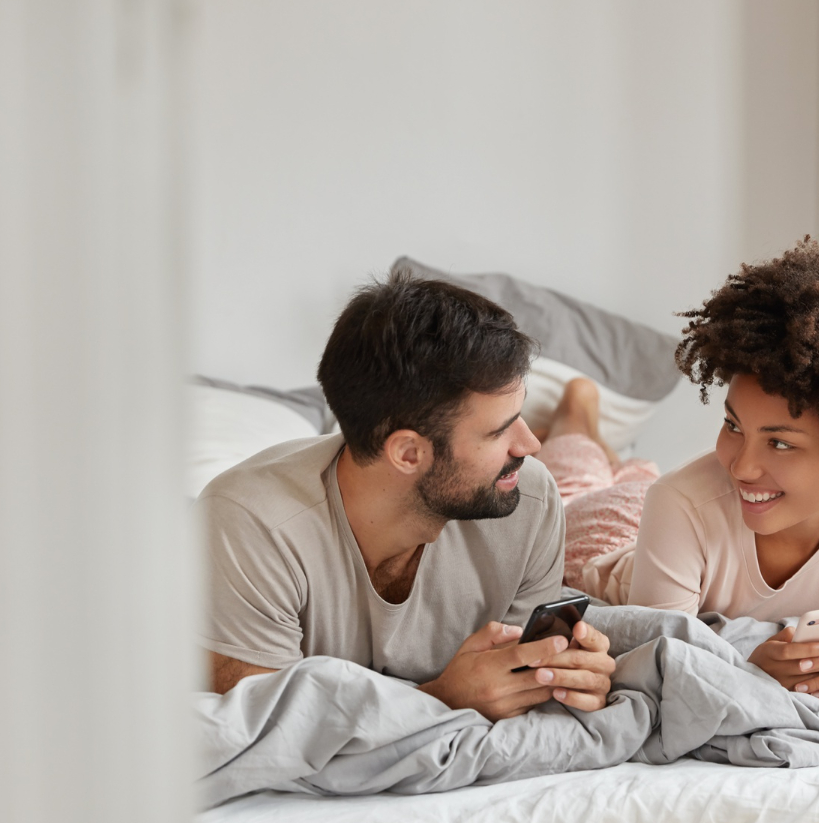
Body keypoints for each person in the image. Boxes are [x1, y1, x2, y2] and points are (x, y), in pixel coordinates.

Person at [542, 238, 819, 709]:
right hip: (609, 534)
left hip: (674, 509)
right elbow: (654, 684)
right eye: (732, 425)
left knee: (632, 472)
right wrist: (748, 675)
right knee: (573, 477)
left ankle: (608, 446)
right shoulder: (679, 502)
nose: (740, 465)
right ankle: (576, 409)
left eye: (780, 442)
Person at [200, 270, 616, 720]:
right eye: (499, 431)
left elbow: (519, 683)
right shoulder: (249, 526)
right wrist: (440, 700)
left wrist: (566, 678)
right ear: (407, 452)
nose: (529, 445)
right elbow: (267, 732)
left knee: (594, 475)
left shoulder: (528, 497)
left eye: (522, 416)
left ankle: (578, 412)